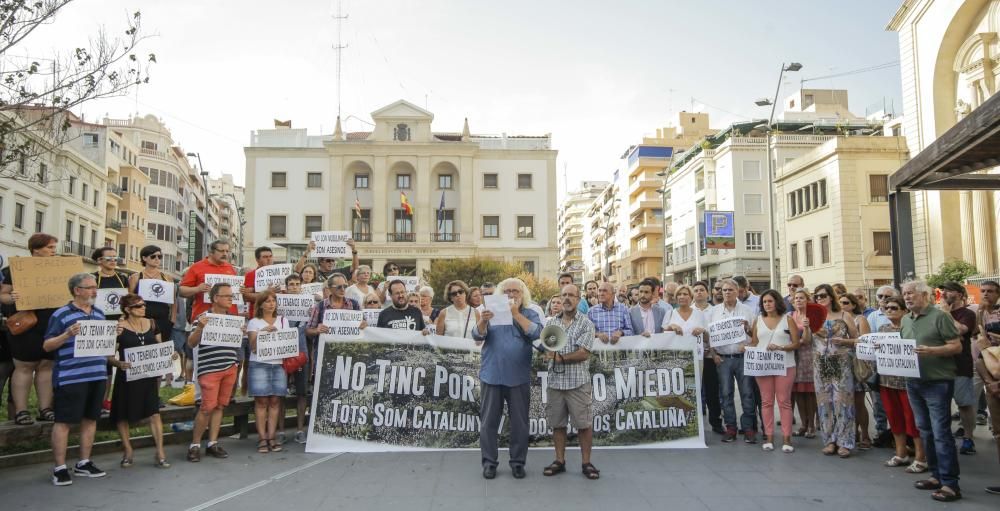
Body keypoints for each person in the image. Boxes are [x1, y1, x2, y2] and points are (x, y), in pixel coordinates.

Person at [43, 273, 114, 485]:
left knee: (90, 419)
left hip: (97, 374)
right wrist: (66, 335)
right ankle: (60, 467)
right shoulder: (61, 315)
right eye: (90, 287)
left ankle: (84, 462)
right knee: (63, 421)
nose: (94, 291)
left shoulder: (100, 314)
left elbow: (105, 346)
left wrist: (114, 335)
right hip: (71, 377)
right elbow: (46, 346)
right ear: (77, 290)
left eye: (95, 287)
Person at [473, 278, 542, 479]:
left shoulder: (530, 313)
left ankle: (518, 462)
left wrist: (515, 314)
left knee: (520, 423)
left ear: (523, 295)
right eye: (508, 291)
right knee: (488, 423)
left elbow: (536, 332)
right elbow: (477, 336)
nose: (512, 294)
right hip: (492, 375)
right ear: (500, 295)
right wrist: (484, 321)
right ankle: (489, 463)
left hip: (518, 376)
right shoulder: (490, 313)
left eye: (516, 291)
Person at [901, 280, 963, 502]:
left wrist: (932, 351)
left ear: (925, 295)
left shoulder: (940, 317)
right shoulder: (906, 320)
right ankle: (936, 476)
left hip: (938, 381)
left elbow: (956, 345)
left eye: (911, 293)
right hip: (914, 381)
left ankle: (950, 484)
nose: (907, 297)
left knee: (941, 432)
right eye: (905, 294)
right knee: (925, 430)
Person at [1, 233, 60, 425]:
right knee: (25, 367)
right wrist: (14, 297)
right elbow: (3, 296)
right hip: (27, 325)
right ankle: (21, 411)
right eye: (50, 247)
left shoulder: (59, 270)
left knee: (46, 366)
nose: (54, 251)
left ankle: (45, 408)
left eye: (54, 247)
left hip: (51, 324)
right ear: (36, 249)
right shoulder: (16, 269)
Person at [541, 284, 598, 480]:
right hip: (555, 382)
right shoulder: (551, 323)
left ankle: (586, 463)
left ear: (578, 299)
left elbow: (584, 353)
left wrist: (559, 358)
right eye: (563, 295)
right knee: (557, 424)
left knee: (583, 425)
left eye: (571, 295)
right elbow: (547, 348)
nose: (566, 299)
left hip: (578, 382)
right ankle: (559, 460)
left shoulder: (586, 323)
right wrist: (548, 355)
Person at [110, 294, 169, 468]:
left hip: (148, 375)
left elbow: (159, 345)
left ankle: (160, 451)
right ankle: (127, 450)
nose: (143, 308)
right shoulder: (119, 327)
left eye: (144, 305)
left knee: (154, 412)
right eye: (138, 306)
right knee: (122, 414)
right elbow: (108, 354)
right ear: (128, 310)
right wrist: (118, 363)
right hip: (127, 376)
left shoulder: (151, 323)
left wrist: (167, 353)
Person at [186, 283, 243, 462]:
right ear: (215, 298)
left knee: (219, 406)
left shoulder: (233, 318)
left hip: (229, 367)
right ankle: (195, 445)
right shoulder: (203, 318)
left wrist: (241, 332)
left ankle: (212, 443)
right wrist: (200, 328)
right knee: (206, 407)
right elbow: (191, 343)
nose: (230, 299)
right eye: (226, 296)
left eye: (231, 296)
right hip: (209, 369)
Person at [877, 295, 928, 474]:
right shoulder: (882, 329)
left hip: (907, 381)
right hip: (887, 380)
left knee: (912, 419)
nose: (889, 311)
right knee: (894, 416)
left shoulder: (911, 328)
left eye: (894, 308)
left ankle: (921, 457)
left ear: (904, 311)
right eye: (887, 308)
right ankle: (901, 453)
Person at [748, 289, 801, 453]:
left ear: (777, 302)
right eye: (764, 302)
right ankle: (769, 437)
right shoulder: (758, 320)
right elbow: (755, 342)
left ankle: (787, 438)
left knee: (784, 401)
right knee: (766, 401)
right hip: (764, 365)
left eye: (770, 301)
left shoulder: (788, 319)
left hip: (785, 365)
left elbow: (796, 343)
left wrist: (781, 347)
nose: (767, 304)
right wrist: (746, 348)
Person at [812, 283, 859, 458]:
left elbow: (856, 339)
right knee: (825, 403)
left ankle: (845, 442)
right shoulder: (814, 317)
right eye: (816, 296)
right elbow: (806, 340)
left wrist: (844, 341)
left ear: (831, 296)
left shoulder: (844, 315)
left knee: (843, 402)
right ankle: (829, 440)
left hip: (841, 364)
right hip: (820, 364)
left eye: (822, 295)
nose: (819, 299)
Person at [708, 278, 756, 443]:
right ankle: (731, 428)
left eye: (730, 290)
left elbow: (755, 336)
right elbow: (710, 336)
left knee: (747, 394)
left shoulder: (747, 310)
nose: (727, 293)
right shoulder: (713, 312)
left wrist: (747, 329)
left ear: (737, 291)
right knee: (726, 394)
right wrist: (714, 355)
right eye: (724, 290)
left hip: (743, 357)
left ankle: (748, 428)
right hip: (724, 359)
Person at [938, 281, 979, 455]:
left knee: (964, 403)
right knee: (941, 405)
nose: (945, 293)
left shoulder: (967, 313)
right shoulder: (937, 313)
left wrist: (947, 314)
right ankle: (943, 438)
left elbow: (959, 330)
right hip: (940, 366)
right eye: (944, 290)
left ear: (960, 294)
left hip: (960, 366)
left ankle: (968, 437)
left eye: (950, 290)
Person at [128, 245, 178, 385]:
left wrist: (172, 319)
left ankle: (156, 391)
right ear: (144, 258)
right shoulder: (136, 277)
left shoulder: (167, 278)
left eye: (159, 256)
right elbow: (129, 299)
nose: (157, 259)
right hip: (142, 321)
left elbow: (174, 301)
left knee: (160, 356)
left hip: (163, 321)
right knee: (143, 355)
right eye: (153, 256)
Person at [247, 291, 288, 453]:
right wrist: (263, 333)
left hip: (278, 364)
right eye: (267, 301)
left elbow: (288, 344)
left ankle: (272, 437)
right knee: (261, 401)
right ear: (261, 304)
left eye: (273, 301)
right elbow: (253, 347)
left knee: (275, 401)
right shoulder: (254, 322)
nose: (271, 304)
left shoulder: (283, 321)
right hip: (259, 364)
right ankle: (262, 438)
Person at [277, 274, 310, 444]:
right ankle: (281, 431)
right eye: (291, 284)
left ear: (301, 287)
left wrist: (313, 310)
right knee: (281, 393)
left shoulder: (309, 304)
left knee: (302, 392)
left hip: (301, 353)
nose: (294, 287)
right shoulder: (278, 304)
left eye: (297, 284)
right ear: (286, 286)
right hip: (282, 352)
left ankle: (299, 430)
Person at [839, 292, 874, 450]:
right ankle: (851, 433)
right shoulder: (837, 319)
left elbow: (865, 341)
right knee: (845, 402)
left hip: (855, 363)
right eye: (840, 302)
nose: (842, 305)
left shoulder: (860, 319)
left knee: (859, 402)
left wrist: (845, 341)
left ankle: (865, 434)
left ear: (853, 304)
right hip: (840, 363)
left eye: (846, 302)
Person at [179, 239, 238, 322]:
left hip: (228, 319)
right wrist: (197, 289)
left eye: (227, 251)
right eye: (221, 251)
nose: (225, 254)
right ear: (211, 252)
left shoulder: (231, 268)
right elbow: (181, 291)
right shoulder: (196, 267)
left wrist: (242, 290)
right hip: (203, 318)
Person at [692, 281, 723, 434]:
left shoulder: (716, 310)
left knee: (712, 391)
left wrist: (712, 351)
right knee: (694, 392)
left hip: (710, 356)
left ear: (707, 293)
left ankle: (716, 423)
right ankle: (694, 424)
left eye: (701, 290)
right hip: (692, 357)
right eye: (696, 290)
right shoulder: (688, 311)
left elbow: (718, 333)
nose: (699, 292)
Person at [789, 289, 817, 439]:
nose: (798, 300)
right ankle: (803, 424)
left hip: (809, 355)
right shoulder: (791, 316)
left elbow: (807, 340)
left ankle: (811, 425)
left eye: (801, 298)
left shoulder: (811, 316)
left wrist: (805, 329)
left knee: (810, 393)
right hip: (794, 356)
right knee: (798, 392)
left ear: (808, 300)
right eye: (796, 298)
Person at [306, 274, 362, 339]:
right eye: (339, 287)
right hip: (325, 347)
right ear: (330, 288)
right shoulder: (320, 306)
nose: (343, 289)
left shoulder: (354, 304)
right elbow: (308, 331)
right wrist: (316, 330)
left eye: (345, 286)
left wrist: (363, 324)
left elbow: (364, 323)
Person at [242, 246, 282, 316]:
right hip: (258, 316)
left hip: (277, 316)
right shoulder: (251, 275)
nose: (269, 259)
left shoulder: (281, 274)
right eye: (265, 257)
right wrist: (267, 293)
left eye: (270, 256)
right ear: (257, 260)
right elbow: (246, 297)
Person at [91, 247, 128, 322]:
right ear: (99, 260)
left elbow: (128, 300)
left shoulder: (123, 278)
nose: (113, 260)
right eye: (108, 258)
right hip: (97, 321)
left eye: (115, 258)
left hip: (120, 322)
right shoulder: (92, 278)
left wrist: (123, 317)